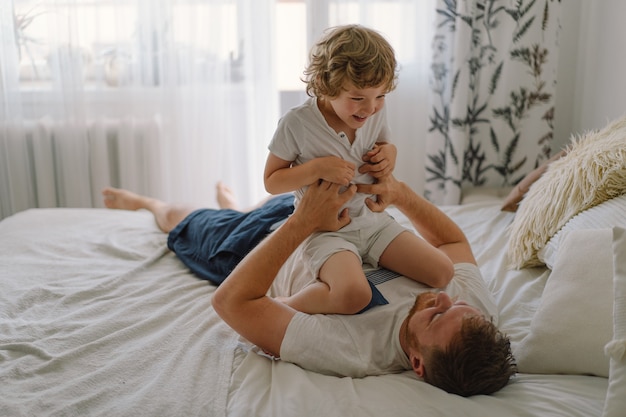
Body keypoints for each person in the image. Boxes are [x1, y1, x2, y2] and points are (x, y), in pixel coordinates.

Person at [103, 176, 517, 396]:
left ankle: (147, 203)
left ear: (417, 364)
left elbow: (232, 301)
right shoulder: (473, 318)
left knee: (182, 215)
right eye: (458, 307)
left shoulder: (353, 348)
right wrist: (402, 195)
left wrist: (301, 221)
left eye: (436, 314)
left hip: (264, 240)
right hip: (339, 208)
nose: (446, 298)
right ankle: (239, 203)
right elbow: (451, 244)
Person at [264, 24, 454, 315]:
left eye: (379, 97)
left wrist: (390, 153)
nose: (370, 108)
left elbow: (384, 143)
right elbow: (272, 182)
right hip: (326, 231)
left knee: (442, 271)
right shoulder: (297, 124)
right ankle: (286, 304)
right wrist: (316, 168)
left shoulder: (374, 111)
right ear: (326, 85)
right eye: (358, 98)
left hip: (373, 223)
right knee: (353, 294)